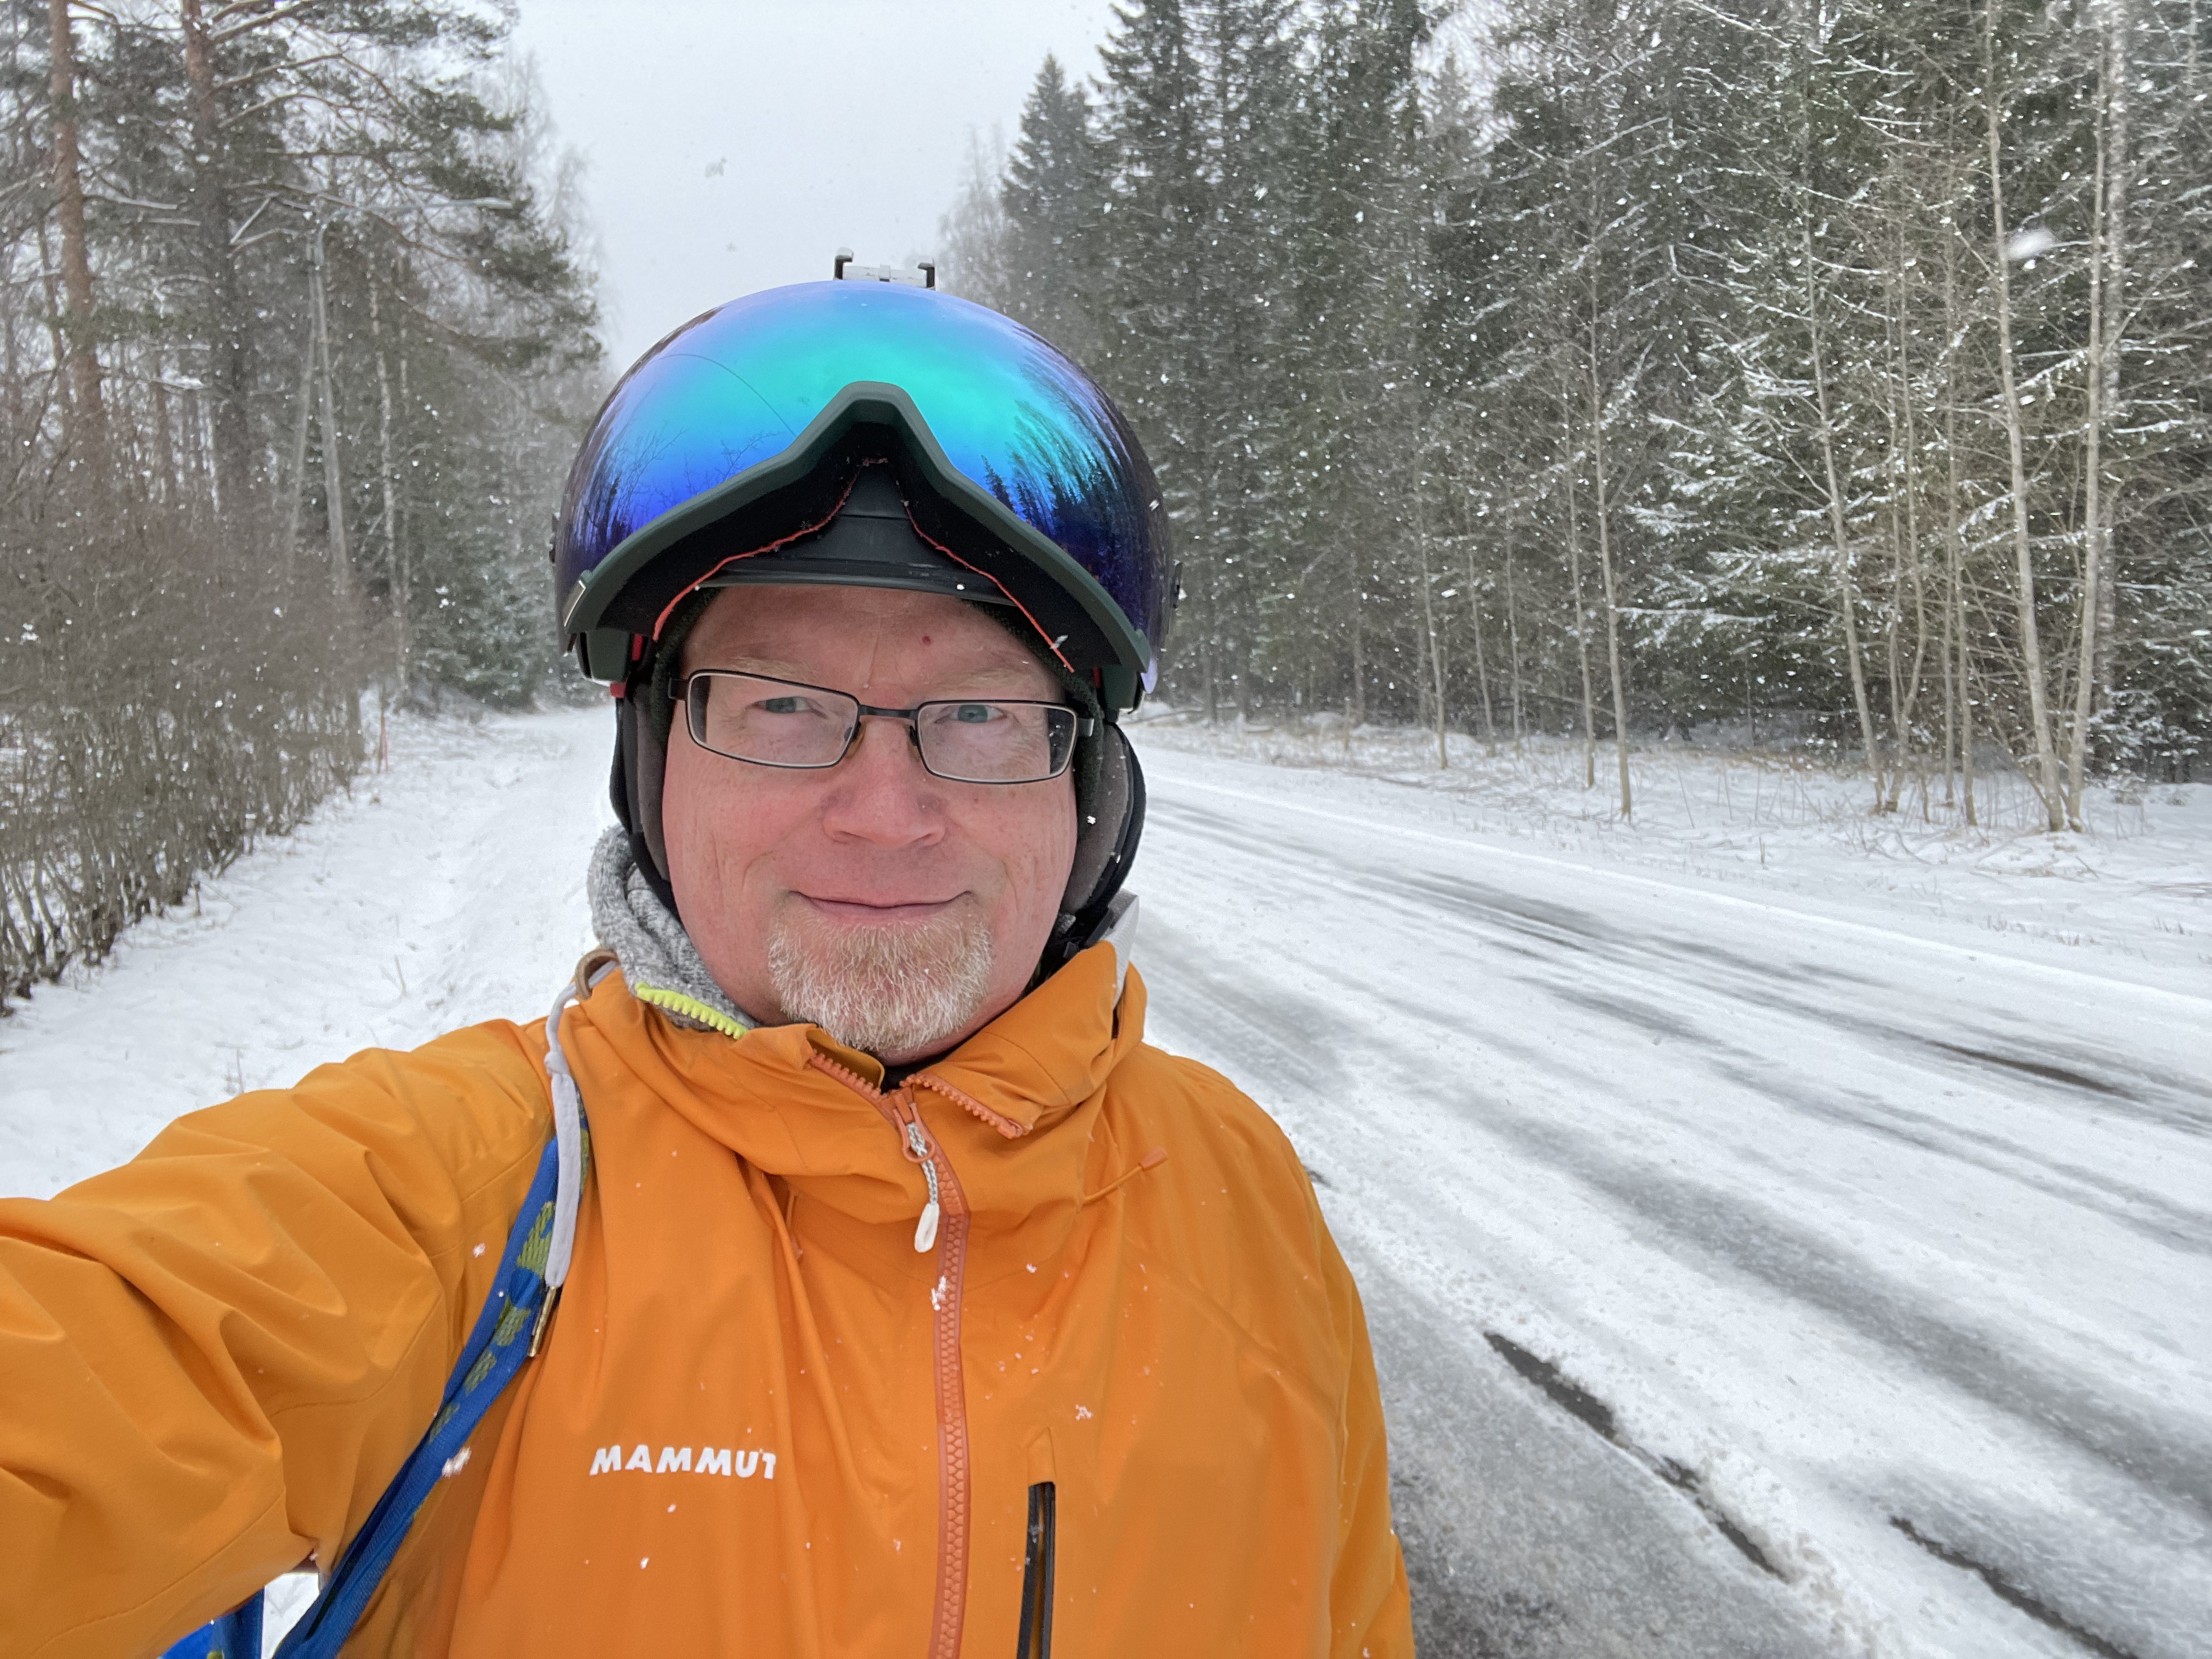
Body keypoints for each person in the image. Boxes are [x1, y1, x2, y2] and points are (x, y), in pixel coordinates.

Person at [0, 276, 1411, 1657]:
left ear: (1088, 788)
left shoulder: (1246, 1203)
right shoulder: (464, 1198)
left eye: (979, 714)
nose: (884, 812)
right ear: (652, 763)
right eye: (782, 704)